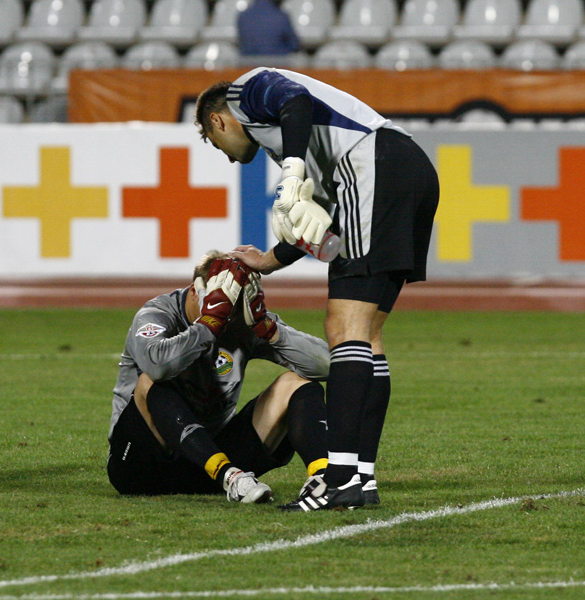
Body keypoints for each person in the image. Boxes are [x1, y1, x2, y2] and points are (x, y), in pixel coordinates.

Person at [194, 68, 440, 511]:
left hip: (372, 168)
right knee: (367, 334)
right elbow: (324, 219)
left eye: (215, 144)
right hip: (407, 168)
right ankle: (360, 478)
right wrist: (269, 260)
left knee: (343, 328)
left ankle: (339, 479)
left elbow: (295, 100)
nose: (228, 158)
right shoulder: (292, 140)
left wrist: (291, 173)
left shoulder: (246, 89)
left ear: (216, 120)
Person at [107, 251, 331, 504]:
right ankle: (230, 476)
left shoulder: (242, 320)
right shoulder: (158, 313)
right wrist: (208, 325)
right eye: (222, 303)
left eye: (234, 306)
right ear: (195, 291)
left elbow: (330, 365)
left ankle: (323, 478)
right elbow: (158, 367)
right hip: (141, 465)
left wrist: (270, 330)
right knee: (149, 382)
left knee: (297, 383)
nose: (229, 315)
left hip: (211, 459)